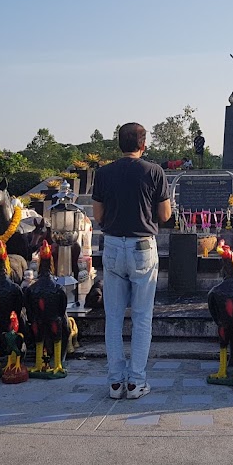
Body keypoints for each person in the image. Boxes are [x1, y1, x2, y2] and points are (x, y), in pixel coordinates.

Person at [91, 122, 172, 400]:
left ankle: (115, 383)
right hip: (142, 247)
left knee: (113, 318)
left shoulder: (103, 173)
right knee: (141, 317)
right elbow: (164, 215)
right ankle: (136, 382)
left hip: (113, 245)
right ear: (143, 145)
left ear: (119, 145)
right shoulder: (154, 171)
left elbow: (98, 215)